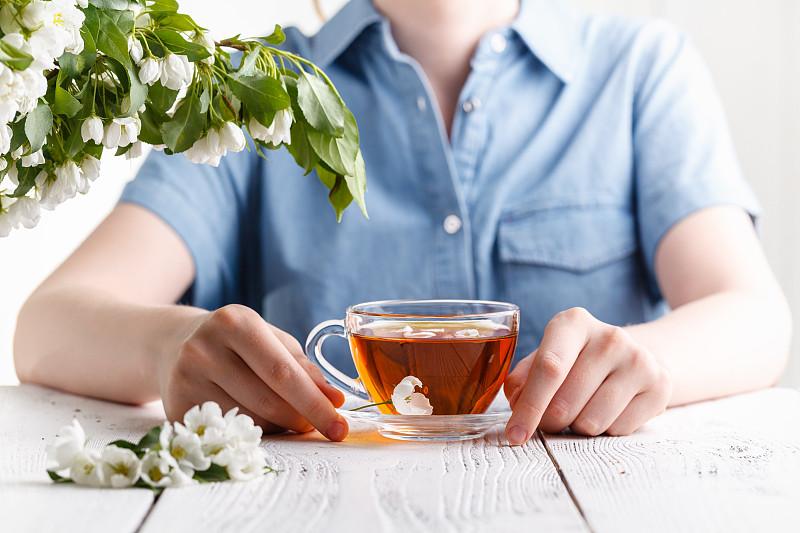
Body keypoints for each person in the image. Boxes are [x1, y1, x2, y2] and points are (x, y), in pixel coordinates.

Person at [14, 0, 791, 446]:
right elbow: (46, 326)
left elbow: (754, 315)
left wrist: (642, 360)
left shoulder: (640, 70)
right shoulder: (251, 91)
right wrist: (167, 347)